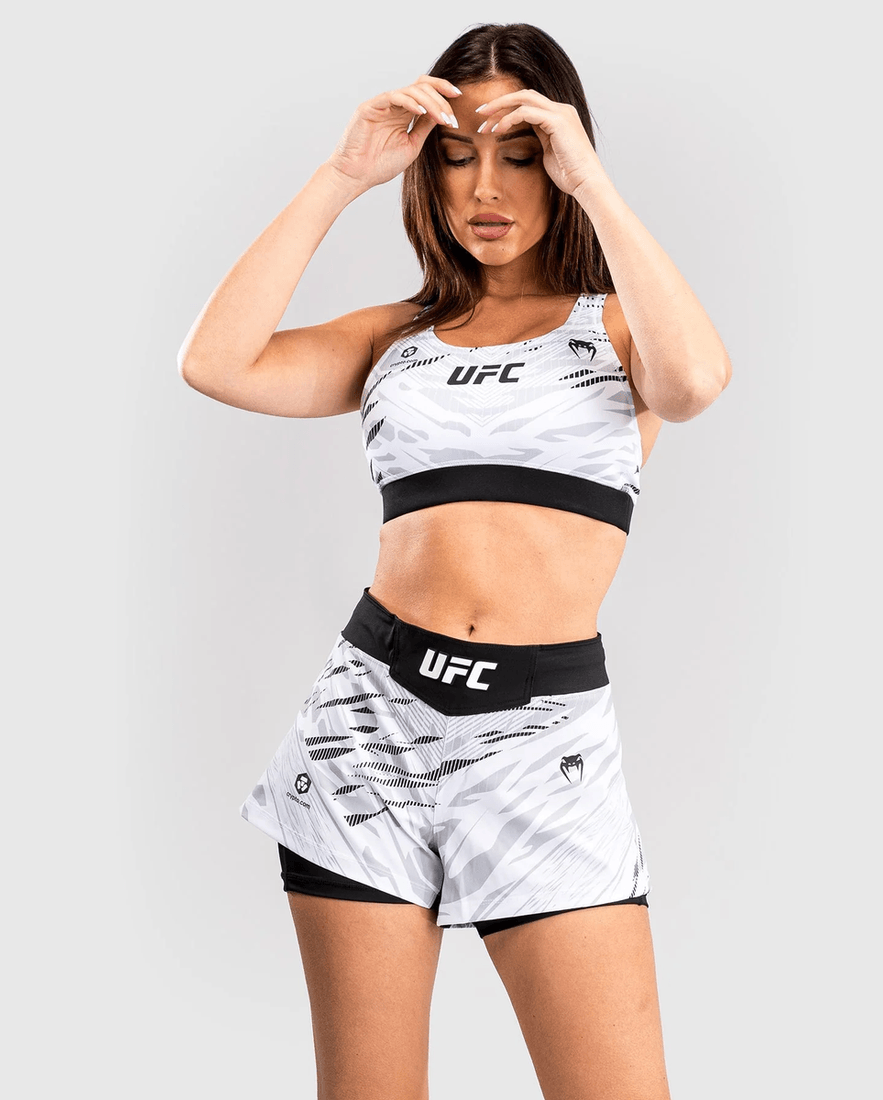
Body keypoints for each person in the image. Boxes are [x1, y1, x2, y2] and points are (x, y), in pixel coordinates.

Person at [179, 21, 730, 1100]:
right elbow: (216, 361)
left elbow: (697, 381)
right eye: (455, 156)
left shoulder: (621, 332)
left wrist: (591, 178)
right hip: (367, 732)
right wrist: (341, 174)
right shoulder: (395, 338)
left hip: (543, 747)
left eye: (519, 155)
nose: (485, 186)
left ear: (559, 160)